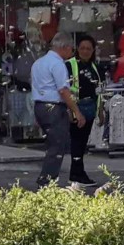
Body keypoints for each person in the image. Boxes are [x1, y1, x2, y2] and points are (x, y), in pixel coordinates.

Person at [31, 32, 85, 187]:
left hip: (40, 106)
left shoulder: (38, 63)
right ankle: (47, 181)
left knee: (53, 143)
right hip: (54, 107)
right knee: (58, 145)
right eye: (71, 49)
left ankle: (47, 179)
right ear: (65, 47)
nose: (71, 53)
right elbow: (63, 90)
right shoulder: (58, 64)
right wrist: (76, 111)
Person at [65, 36, 104, 187]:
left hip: (90, 108)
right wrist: (71, 111)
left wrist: (100, 110)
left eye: (88, 48)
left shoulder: (95, 67)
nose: (85, 51)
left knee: (82, 142)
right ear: (77, 49)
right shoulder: (70, 65)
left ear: (93, 50)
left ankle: (78, 173)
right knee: (76, 141)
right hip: (77, 107)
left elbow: (99, 90)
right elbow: (65, 89)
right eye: (82, 48)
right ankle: (76, 175)